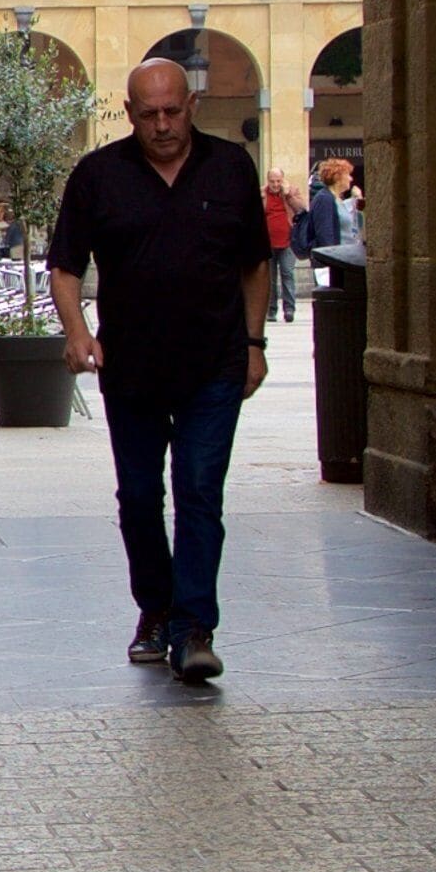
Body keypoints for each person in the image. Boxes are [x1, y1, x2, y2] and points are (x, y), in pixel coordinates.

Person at [48, 59, 274, 684]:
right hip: (132, 366)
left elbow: (255, 263)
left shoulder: (230, 168)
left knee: (201, 491)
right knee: (141, 497)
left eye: (173, 111)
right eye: (148, 114)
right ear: (129, 113)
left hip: (215, 362)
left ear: (192, 104)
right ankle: (156, 607)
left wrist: (254, 343)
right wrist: (77, 333)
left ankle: (193, 628)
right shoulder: (98, 175)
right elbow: (65, 266)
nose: (163, 124)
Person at [298, 157, 349, 280]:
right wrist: (333, 261)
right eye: (347, 175)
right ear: (338, 178)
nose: (351, 178)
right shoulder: (324, 198)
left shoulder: (335, 198)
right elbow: (325, 234)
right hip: (330, 262)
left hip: (340, 257)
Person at [261, 169, 299, 322]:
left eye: (278, 181)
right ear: (267, 180)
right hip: (267, 243)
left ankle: (289, 309)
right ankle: (271, 311)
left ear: (283, 180)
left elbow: (302, 209)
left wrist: (289, 195)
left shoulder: (292, 192)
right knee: (270, 278)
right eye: (272, 181)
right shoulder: (262, 194)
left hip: (288, 242)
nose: (275, 184)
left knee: (287, 274)